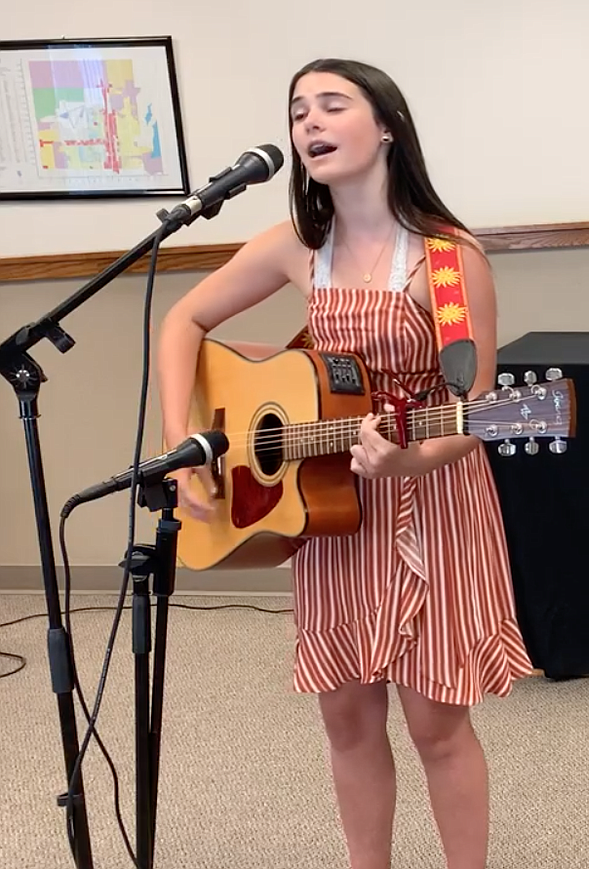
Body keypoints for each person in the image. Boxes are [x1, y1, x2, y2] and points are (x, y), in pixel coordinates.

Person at [156, 57, 533, 869]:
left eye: (332, 105)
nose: (310, 125)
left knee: (436, 722)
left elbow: (473, 410)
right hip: (330, 506)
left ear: (387, 126)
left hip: (429, 494)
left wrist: (407, 460)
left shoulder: (446, 257)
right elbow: (183, 320)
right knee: (346, 715)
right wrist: (185, 448)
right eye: (299, 113)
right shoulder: (300, 245)